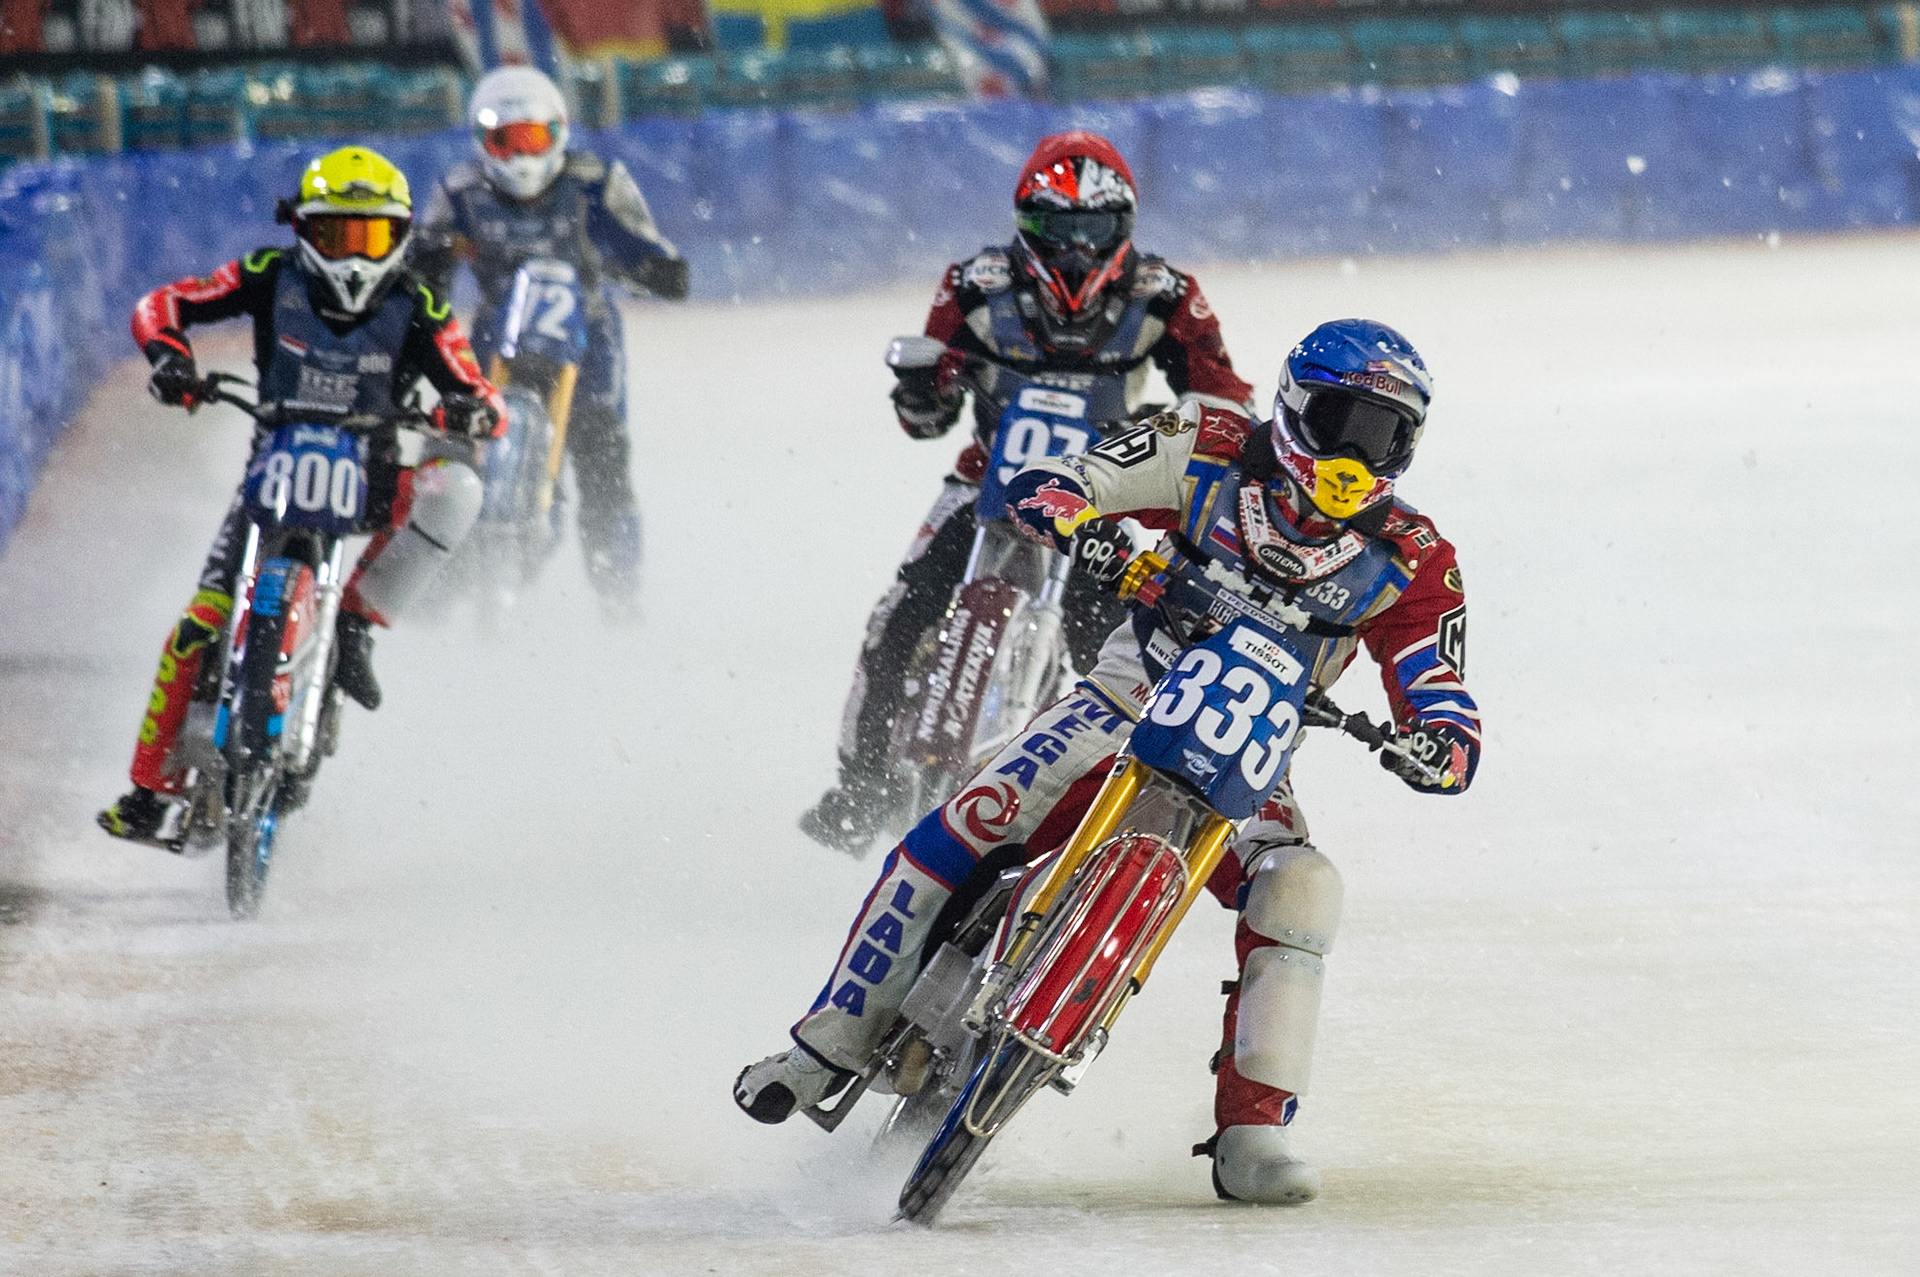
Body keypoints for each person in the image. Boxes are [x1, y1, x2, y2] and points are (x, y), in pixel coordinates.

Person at [737, 319, 1481, 1205]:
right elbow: (1056, 482)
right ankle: (826, 1046)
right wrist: (1089, 530)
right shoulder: (1204, 442)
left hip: (1253, 753)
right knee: (973, 818)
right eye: (1338, 422)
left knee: (1301, 886)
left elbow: (1441, 687)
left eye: (1383, 435)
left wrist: (1438, 741)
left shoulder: (1414, 558)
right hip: (1127, 695)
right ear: (1289, 407)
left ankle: (1252, 1131)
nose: (1355, 454)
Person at [801, 129, 1257, 853]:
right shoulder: (974, 284)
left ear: (1124, 229)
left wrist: (1215, 434)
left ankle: (1129, 805)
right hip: (985, 480)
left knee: (1129, 647)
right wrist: (925, 386)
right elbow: (926, 414)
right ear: (1025, 225)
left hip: (1100, 493)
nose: (1076, 250)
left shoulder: (1168, 295)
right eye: (1058, 229)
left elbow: (1221, 393)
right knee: (897, 617)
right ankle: (859, 786)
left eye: (1094, 230)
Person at [98, 146, 504, 850]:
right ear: (303, 233)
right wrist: (171, 358)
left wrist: (465, 413)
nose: (352, 255)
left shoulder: (421, 305)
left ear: (402, 236)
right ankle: (146, 790)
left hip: (373, 479)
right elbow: (164, 303)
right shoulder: (266, 274)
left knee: (458, 488)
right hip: (270, 479)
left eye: (370, 236)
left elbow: (484, 397)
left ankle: (356, 621)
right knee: (197, 625)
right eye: (335, 234)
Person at [410, 65, 690, 615]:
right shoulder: (459, 191)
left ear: (559, 133)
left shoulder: (596, 183)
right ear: (482, 142)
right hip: (496, 337)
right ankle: (431, 580)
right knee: (451, 442)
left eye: (533, 138)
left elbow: (647, 246)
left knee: (603, 456)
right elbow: (424, 270)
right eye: (505, 141)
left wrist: (654, 268)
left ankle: (619, 594)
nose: (520, 157)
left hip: (587, 338)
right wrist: (432, 265)